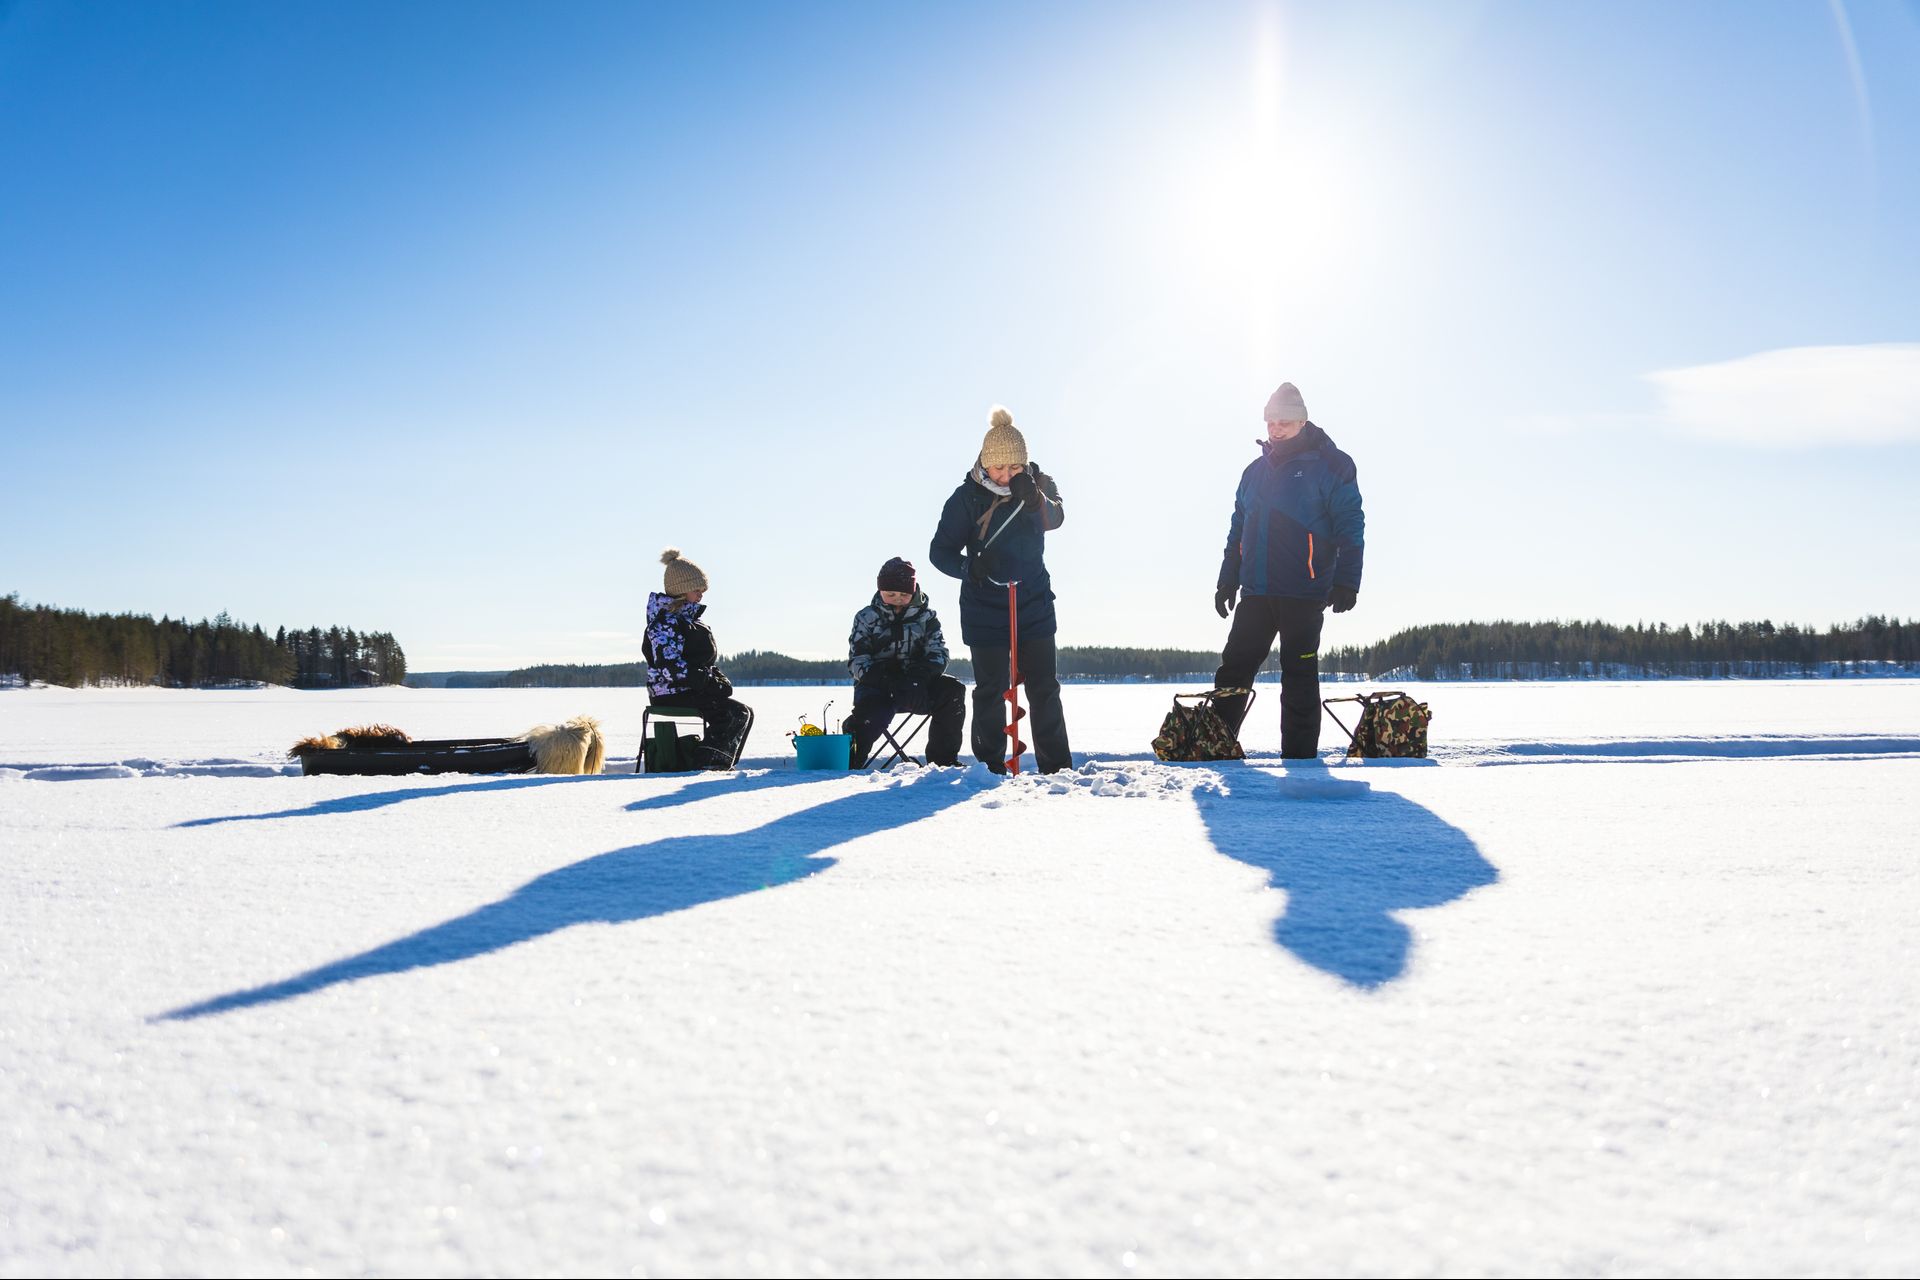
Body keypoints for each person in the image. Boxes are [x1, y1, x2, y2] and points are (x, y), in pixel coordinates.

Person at [1212, 381, 1365, 759]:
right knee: (1234, 670)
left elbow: (1351, 524)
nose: (1275, 428)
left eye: (1283, 421)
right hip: (1257, 591)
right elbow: (1238, 530)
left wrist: (1347, 580)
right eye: (1270, 422)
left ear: (1301, 420)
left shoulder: (1332, 464)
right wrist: (1227, 578)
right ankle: (1215, 747)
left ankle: (1299, 761)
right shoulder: (1253, 472)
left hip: (1304, 590)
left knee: (1299, 675)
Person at [929, 405, 1073, 774]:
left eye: (1014, 468)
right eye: (999, 468)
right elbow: (939, 552)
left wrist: (1035, 499)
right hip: (984, 605)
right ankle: (989, 768)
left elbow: (1055, 519)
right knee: (990, 689)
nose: (1007, 476)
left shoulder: (1039, 483)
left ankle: (1057, 768)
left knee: (1043, 686)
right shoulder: (965, 498)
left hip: (1034, 601)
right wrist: (968, 567)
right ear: (984, 463)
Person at [843, 557, 967, 768]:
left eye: (903, 594)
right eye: (890, 594)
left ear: (913, 591)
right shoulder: (866, 617)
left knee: (953, 690)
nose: (897, 599)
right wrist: (887, 682)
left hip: (917, 687)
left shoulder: (927, 617)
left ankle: (944, 763)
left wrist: (918, 678)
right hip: (877, 688)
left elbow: (939, 653)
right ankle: (849, 763)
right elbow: (857, 660)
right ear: (880, 590)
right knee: (871, 715)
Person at [643, 548, 753, 770]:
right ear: (682, 590)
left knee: (744, 712)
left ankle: (719, 762)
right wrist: (703, 680)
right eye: (697, 589)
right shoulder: (665, 623)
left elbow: (701, 662)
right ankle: (707, 763)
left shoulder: (689, 621)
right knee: (733, 714)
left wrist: (716, 678)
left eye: (703, 589)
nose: (701, 593)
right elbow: (669, 665)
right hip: (670, 692)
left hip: (688, 689)